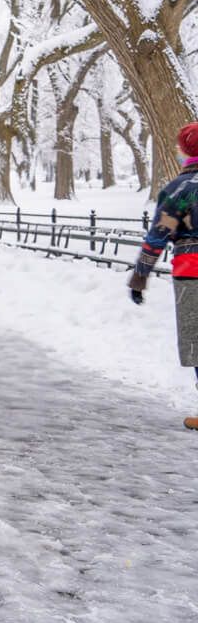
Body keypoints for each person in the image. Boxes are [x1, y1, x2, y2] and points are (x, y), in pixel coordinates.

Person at [128, 121, 198, 428]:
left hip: (191, 273)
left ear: (184, 151)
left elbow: (158, 236)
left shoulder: (177, 191)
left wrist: (140, 276)